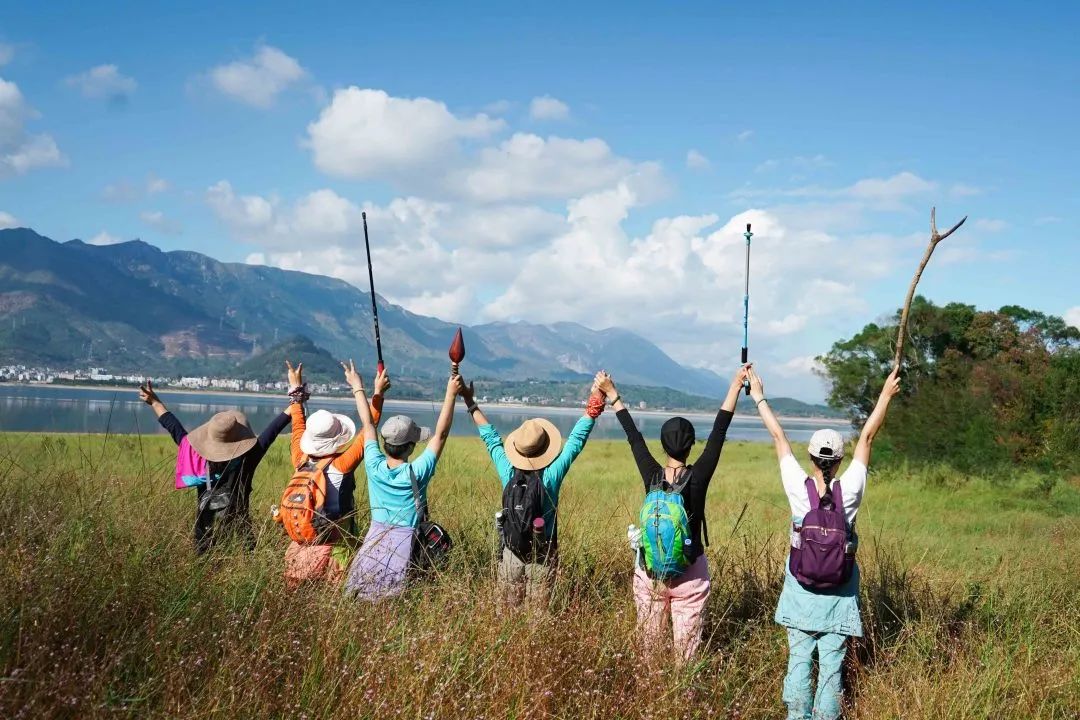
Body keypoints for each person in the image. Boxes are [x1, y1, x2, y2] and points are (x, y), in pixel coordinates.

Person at [748, 366, 900, 720]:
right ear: (840, 460)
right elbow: (867, 438)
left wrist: (758, 395)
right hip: (840, 594)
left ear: (812, 458)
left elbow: (778, 438)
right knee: (832, 670)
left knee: (799, 660)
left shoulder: (798, 490)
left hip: (801, 595)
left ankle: (796, 715)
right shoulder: (850, 491)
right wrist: (885, 395)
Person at [596, 365, 749, 662]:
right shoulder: (699, 475)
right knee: (687, 654)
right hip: (691, 571)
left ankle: (649, 693)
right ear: (692, 446)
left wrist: (612, 393)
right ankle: (684, 700)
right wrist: (735, 385)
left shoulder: (651, 474)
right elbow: (720, 431)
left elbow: (633, 437)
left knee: (649, 648)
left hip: (650, 571)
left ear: (662, 445)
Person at [454, 371, 605, 607]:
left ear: (517, 448)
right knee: (538, 618)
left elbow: (491, 438)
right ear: (545, 448)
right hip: (542, 557)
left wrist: (470, 402)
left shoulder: (507, 471)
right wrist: (596, 400)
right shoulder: (551, 476)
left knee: (507, 615)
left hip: (510, 553)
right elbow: (576, 441)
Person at [343, 361, 459, 600]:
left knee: (362, 599)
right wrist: (451, 393)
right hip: (405, 545)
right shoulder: (417, 471)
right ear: (409, 448)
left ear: (386, 445)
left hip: (372, 544)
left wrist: (359, 387)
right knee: (395, 604)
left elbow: (368, 424)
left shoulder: (373, 464)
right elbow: (441, 434)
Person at [138, 379, 290, 553]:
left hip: (204, 536)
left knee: (204, 570)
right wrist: (295, 401)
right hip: (241, 540)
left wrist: (155, 402)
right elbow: (272, 431)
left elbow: (174, 428)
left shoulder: (195, 455)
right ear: (239, 439)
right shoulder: (249, 459)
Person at [279, 360, 390, 588]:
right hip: (335, 541)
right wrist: (377, 393)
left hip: (302, 539)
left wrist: (295, 389)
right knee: (334, 590)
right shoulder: (342, 465)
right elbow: (370, 426)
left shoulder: (300, 458)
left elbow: (298, 425)